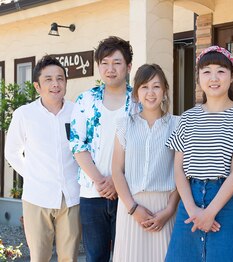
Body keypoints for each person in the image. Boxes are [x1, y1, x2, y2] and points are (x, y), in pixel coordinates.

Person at [165, 46, 233, 262]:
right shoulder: (187, 118)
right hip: (190, 197)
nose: (214, 78)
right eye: (206, 71)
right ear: (198, 77)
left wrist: (209, 213)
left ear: (232, 76)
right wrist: (192, 210)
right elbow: (178, 169)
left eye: (221, 71)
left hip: (227, 200)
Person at [5, 55, 81, 262]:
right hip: (37, 197)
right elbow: (12, 151)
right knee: (39, 257)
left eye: (60, 78)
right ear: (38, 86)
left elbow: (86, 151)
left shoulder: (77, 112)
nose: (55, 84)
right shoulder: (25, 114)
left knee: (70, 257)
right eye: (48, 79)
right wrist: (33, 175)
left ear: (65, 82)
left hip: (71, 195)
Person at [69, 36, 133, 262]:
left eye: (117, 62)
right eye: (104, 63)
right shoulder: (85, 100)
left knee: (126, 256)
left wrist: (117, 181)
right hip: (92, 193)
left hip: (129, 192)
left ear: (128, 66)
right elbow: (78, 144)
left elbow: (142, 148)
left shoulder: (138, 101)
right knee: (95, 257)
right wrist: (100, 181)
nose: (110, 69)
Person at [112, 64, 180, 262]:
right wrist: (133, 208)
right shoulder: (124, 125)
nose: (151, 93)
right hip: (131, 206)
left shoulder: (177, 125)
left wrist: (169, 211)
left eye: (156, 86)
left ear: (165, 91)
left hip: (165, 208)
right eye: (144, 87)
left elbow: (182, 173)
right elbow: (116, 170)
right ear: (136, 93)